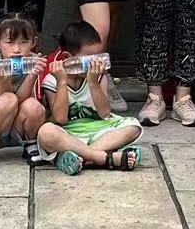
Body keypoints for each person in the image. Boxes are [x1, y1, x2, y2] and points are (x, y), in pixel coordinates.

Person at [35, 20, 144, 174]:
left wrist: (93, 81)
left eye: (98, 57)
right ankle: (104, 158)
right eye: (89, 59)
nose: (96, 64)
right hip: (69, 133)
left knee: (133, 127)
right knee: (46, 133)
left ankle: (81, 158)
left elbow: (104, 113)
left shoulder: (99, 77)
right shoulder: (52, 80)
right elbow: (60, 118)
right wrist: (62, 82)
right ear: (67, 57)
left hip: (99, 131)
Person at [0, 14, 49, 171]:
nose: (17, 49)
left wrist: (33, 75)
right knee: (8, 99)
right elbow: (8, 99)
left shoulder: (35, 62)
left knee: (34, 106)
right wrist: (2, 80)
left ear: (34, 42)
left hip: (19, 119)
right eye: (9, 42)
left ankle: (30, 143)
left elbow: (22, 100)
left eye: (24, 42)